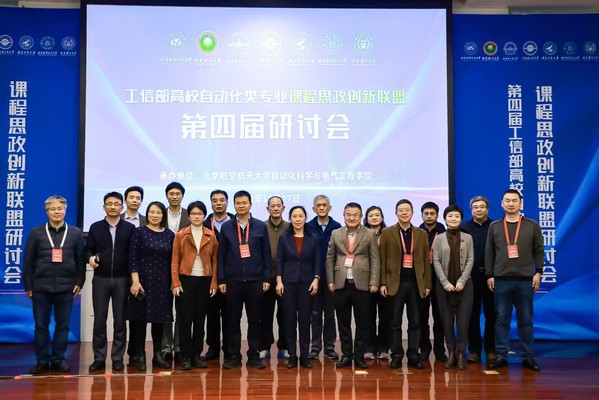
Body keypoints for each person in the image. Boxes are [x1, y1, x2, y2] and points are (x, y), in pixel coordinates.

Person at [23, 195, 86, 374]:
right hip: (40, 287)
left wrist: (79, 282)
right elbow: (28, 261)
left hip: (66, 287)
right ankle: (42, 361)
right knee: (41, 325)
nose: (56, 212)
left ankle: (58, 359)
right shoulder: (36, 233)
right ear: (47, 211)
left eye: (60, 208)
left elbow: (80, 260)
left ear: (65, 210)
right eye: (52, 209)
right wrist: (28, 285)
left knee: (63, 325)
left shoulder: (75, 233)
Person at [485, 189, 543, 372]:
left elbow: (539, 250)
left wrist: (538, 273)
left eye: (514, 200)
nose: (511, 204)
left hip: (525, 280)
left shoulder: (532, 225)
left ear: (520, 203)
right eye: (507, 200)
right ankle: (501, 354)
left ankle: (527, 356)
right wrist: (489, 275)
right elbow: (489, 252)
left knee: (525, 319)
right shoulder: (495, 226)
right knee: (501, 319)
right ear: (502, 203)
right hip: (501, 280)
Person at [217, 190, 272, 369]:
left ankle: (254, 355)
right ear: (234, 205)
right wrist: (221, 280)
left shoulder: (260, 226)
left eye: (244, 203)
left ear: (250, 205)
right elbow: (221, 255)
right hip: (232, 282)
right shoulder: (227, 227)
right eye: (238, 203)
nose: (241, 205)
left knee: (255, 321)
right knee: (232, 320)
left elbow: (266, 254)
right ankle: (234, 356)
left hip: (256, 281)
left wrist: (266, 278)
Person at [326, 202, 380, 369]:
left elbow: (375, 259)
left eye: (355, 215)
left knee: (363, 322)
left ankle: (359, 356)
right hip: (341, 283)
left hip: (362, 285)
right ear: (344, 216)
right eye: (348, 214)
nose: (351, 218)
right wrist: (330, 280)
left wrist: (374, 281)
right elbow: (330, 258)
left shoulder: (369, 233)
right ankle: (346, 355)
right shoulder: (336, 233)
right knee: (343, 323)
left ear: (361, 216)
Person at [86, 192, 135, 372]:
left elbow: (133, 254)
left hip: (122, 279)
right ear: (104, 206)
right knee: (99, 320)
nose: (113, 207)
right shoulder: (95, 227)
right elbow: (88, 249)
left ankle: (117, 358)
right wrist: (90, 258)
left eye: (116, 204)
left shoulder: (130, 228)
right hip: (101, 278)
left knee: (120, 321)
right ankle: (99, 358)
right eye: (109, 203)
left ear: (122, 207)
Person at [379, 199, 431, 370]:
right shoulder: (387, 233)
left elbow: (426, 260)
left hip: (416, 283)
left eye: (407, 210)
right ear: (396, 213)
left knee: (415, 322)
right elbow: (382, 258)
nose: (404, 213)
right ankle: (396, 355)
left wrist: (427, 284)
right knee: (394, 322)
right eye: (400, 210)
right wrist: (383, 282)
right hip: (395, 283)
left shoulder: (421, 234)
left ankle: (413, 355)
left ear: (412, 213)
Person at [128, 201, 175, 371]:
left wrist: (173, 282)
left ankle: (157, 355)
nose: (155, 215)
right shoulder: (139, 232)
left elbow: (173, 261)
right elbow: (133, 257)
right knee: (139, 321)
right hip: (142, 282)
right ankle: (140, 355)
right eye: (151, 212)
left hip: (162, 282)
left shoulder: (170, 235)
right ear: (147, 214)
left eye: (158, 212)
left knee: (159, 320)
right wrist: (135, 281)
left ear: (163, 215)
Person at [171, 201, 218, 370]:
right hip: (185, 280)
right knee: (185, 320)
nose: (197, 216)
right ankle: (184, 356)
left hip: (204, 281)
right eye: (193, 213)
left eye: (200, 213)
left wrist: (214, 282)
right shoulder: (181, 235)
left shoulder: (211, 235)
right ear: (189, 216)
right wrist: (175, 283)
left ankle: (196, 355)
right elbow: (175, 261)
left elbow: (215, 261)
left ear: (204, 215)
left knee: (199, 320)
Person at [275, 206, 320, 369]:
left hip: (307, 283)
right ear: (290, 219)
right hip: (288, 283)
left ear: (305, 218)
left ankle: (305, 356)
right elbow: (279, 260)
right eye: (294, 216)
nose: (298, 219)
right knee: (289, 320)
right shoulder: (284, 237)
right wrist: (279, 281)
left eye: (301, 216)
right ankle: (292, 356)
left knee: (305, 320)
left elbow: (317, 260)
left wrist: (316, 279)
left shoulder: (313, 237)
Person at [433, 205, 474, 370]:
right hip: (444, 286)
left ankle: (460, 354)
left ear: (461, 219)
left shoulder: (468, 237)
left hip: (465, 286)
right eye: (450, 216)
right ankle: (450, 353)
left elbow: (470, 259)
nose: (453, 219)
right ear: (445, 219)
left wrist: (462, 280)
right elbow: (436, 261)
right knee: (447, 321)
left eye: (457, 216)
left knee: (463, 322)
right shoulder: (439, 238)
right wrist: (444, 282)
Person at [461, 195, 496, 366]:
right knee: (472, 314)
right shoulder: (464, 228)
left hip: (491, 277)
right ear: (471, 210)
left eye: (482, 207)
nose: (479, 210)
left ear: (487, 209)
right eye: (475, 207)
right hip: (471, 277)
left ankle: (491, 350)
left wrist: (492, 274)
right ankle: (474, 350)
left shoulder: (495, 226)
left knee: (492, 314)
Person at [306, 194, 341, 360]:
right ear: (313, 209)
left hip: (331, 278)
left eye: (324, 205)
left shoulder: (337, 227)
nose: (321, 207)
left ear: (330, 207)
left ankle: (329, 347)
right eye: (318, 205)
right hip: (312, 278)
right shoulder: (308, 227)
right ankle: (315, 347)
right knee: (314, 314)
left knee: (330, 314)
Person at [201, 190, 234, 361]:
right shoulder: (204, 224)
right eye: (215, 200)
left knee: (230, 315)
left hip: (232, 276)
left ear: (227, 203)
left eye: (222, 200)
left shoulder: (236, 222)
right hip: (210, 277)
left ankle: (230, 349)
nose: (219, 203)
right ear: (211, 203)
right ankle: (213, 348)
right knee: (212, 315)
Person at [162, 181, 189, 363]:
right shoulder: (158, 214)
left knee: (182, 309)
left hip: (184, 267)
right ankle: (166, 347)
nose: (174, 196)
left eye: (177, 193)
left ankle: (179, 346)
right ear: (166, 195)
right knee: (165, 308)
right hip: (162, 267)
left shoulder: (189, 215)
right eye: (171, 193)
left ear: (182, 196)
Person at [418, 202, 448, 363]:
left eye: (432, 213)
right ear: (422, 215)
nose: (429, 216)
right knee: (422, 317)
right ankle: (424, 349)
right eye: (426, 213)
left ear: (437, 215)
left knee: (440, 317)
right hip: (422, 280)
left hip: (440, 279)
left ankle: (439, 350)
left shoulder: (444, 233)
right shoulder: (417, 232)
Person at [260, 195, 290, 360]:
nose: (276, 208)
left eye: (279, 205)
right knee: (265, 314)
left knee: (285, 314)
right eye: (273, 206)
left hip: (286, 278)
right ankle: (264, 347)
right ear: (268, 209)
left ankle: (284, 347)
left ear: (283, 208)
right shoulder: (261, 227)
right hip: (266, 277)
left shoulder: (290, 227)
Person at [120, 185, 146, 364]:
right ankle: (125, 352)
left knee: (138, 314)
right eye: (131, 197)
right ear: (126, 200)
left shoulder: (146, 220)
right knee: (123, 314)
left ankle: (136, 351)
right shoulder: (118, 219)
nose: (135, 200)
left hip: (141, 274)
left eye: (138, 198)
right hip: (122, 273)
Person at [362, 206, 390, 360]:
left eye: (377, 215)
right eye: (371, 215)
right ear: (366, 218)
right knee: (368, 317)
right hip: (367, 282)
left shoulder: (389, 234)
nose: (374, 217)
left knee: (385, 317)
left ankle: (383, 347)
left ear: (382, 217)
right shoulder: (362, 234)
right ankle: (369, 347)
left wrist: (384, 281)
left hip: (386, 282)